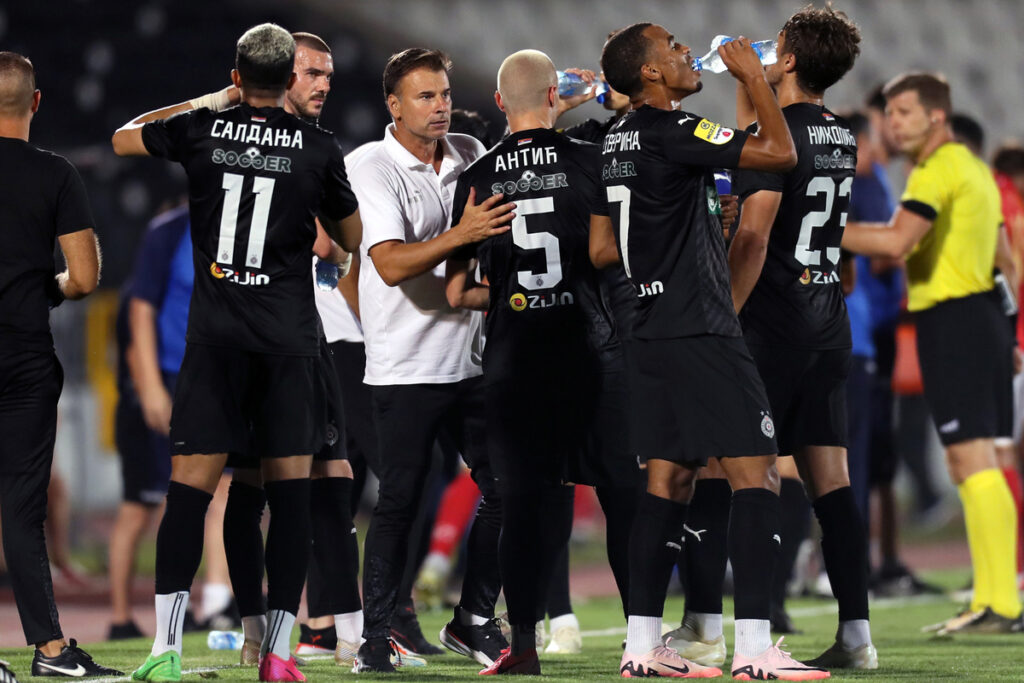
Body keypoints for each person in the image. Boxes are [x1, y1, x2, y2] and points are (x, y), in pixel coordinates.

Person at [111, 23, 362, 683]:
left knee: (190, 494)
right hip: (286, 346)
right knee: (288, 498)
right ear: (288, 80)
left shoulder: (201, 130)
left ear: (236, 73)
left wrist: (213, 100)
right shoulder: (317, 147)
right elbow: (351, 233)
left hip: (215, 344)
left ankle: (164, 650)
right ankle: (278, 656)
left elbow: (124, 134)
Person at [593, 24, 830, 680]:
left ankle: (642, 648)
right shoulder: (676, 129)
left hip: (645, 325)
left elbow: (601, 249)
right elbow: (778, 152)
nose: (683, 51)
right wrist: (753, 76)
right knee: (760, 472)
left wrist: (689, 226)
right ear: (649, 75)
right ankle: (755, 650)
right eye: (670, 46)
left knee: (667, 479)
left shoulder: (614, 139)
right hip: (699, 325)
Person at [444, 48, 642, 675]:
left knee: (525, 506)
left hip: (514, 359)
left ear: (500, 103)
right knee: (622, 496)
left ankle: (522, 646)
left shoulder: (479, 177)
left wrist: (511, 295)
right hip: (588, 348)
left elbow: (456, 292)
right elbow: (608, 254)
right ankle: (642, 645)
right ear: (554, 95)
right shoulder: (591, 158)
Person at [348, 47, 514, 674]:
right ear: (393, 105)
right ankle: (372, 639)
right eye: (425, 96)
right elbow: (388, 263)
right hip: (406, 366)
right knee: (399, 503)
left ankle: (472, 619)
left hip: (470, 361)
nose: (441, 105)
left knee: (505, 487)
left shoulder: (470, 153)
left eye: (444, 94)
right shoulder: (370, 165)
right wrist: (463, 236)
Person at [843, 71, 1023, 634]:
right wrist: (1010, 332)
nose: (892, 123)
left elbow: (897, 242)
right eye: (890, 113)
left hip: (955, 320)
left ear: (935, 117)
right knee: (978, 459)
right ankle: (995, 599)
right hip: (984, 318)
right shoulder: (975, 169)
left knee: (973, 460)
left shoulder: (938, 168)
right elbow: (1008, 262)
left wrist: (825, 228)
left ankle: (1001, 604)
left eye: (902, 112)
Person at [726, 6, 876, 669]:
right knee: (832, 483)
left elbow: (755, 234)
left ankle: (746, 638)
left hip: (773, 320)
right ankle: (858, 637)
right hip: (827, 320)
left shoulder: (775, 135)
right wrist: (751, 86)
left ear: (787, 60)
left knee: (745, 475)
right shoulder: (842, 134)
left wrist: (723, 314)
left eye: (777, 45)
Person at [0, 51, 120, 678]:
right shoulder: (55, 174)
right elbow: (86, 276)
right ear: (36, 103)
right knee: (21, 510)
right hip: (22, 356)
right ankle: (49, 651)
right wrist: (45, 287)